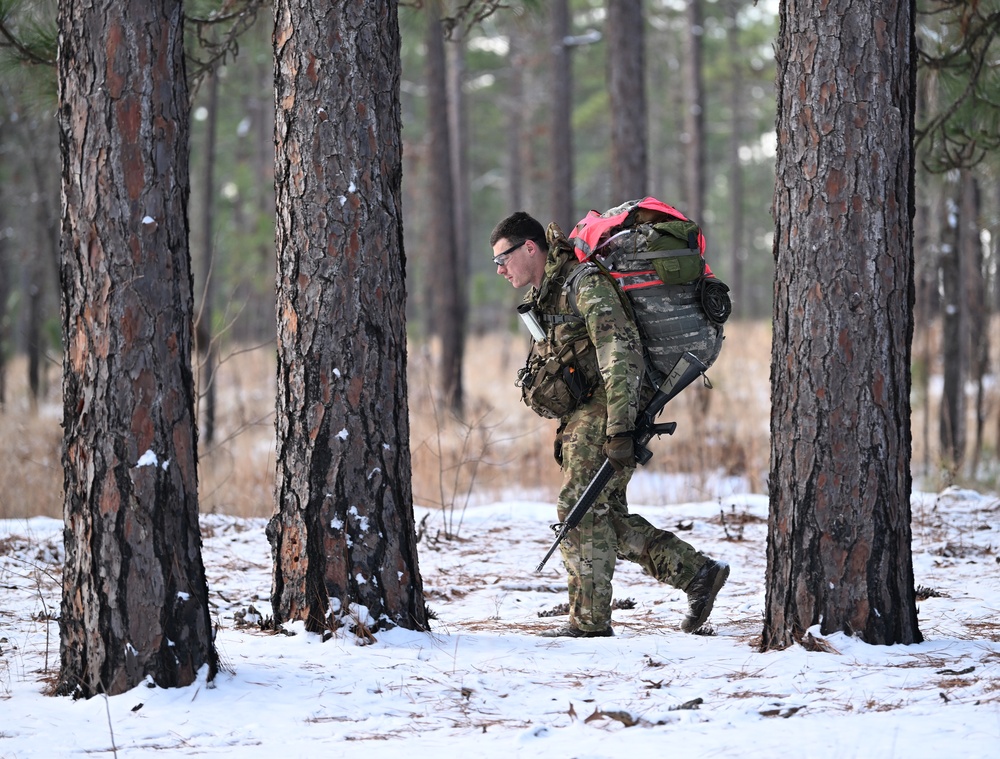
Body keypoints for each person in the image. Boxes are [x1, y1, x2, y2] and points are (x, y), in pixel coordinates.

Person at [490, 210, 729, 638]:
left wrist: (619, 426)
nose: (500, 269)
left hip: (606, 408)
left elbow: (619, 349)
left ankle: (588, 624)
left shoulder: (584, 282)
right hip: (587, 411)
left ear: (530, 247)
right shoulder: (549, 294)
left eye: (503, 258)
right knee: (603, 515)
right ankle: (696, 573)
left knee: (577, 511)